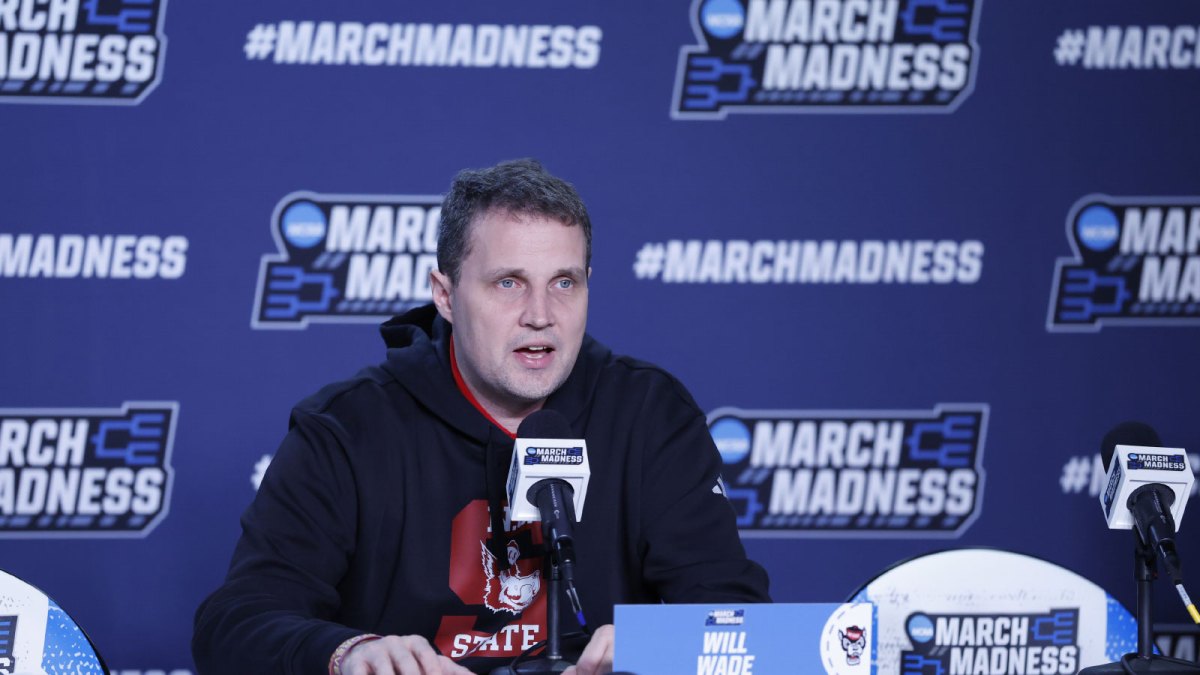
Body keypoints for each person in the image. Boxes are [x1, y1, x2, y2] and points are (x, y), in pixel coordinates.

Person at [192, 159, 770, 674]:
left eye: (563, 283)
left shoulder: (650, 415)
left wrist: (660, 646)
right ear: (445, 294)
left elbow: (740, 618)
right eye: (508, 283)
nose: (540, 315)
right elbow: (234, 625)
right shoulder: (347, 428)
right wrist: (348, 654)